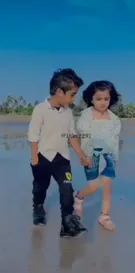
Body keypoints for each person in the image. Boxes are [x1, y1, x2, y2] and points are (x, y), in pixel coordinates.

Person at [28, 68, 91, 237]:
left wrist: (81, 155)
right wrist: (35, 158)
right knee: (41, 187)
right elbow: (33, 136)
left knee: (67, 189)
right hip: (42, 158)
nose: (74, 99)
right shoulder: (40, 109)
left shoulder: (68, 112)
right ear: (59, 92)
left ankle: (67, 222)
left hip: (62, 159)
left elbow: (71, 136)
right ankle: (39, 208)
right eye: (72, 94)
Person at [74, 80, 121, 231]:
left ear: (111, 99)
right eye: (98, 99)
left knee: (107, 186)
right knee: (94, 186)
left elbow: (114, 141)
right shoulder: (86, 115)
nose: (102, 102)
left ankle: (104, 216)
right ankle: (80, 196)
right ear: (91, 99)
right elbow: (85, 137)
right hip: (92, 156)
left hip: (109, 157)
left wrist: (115, 159)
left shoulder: (114, 119)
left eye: (106, 99)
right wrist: (85, 156)